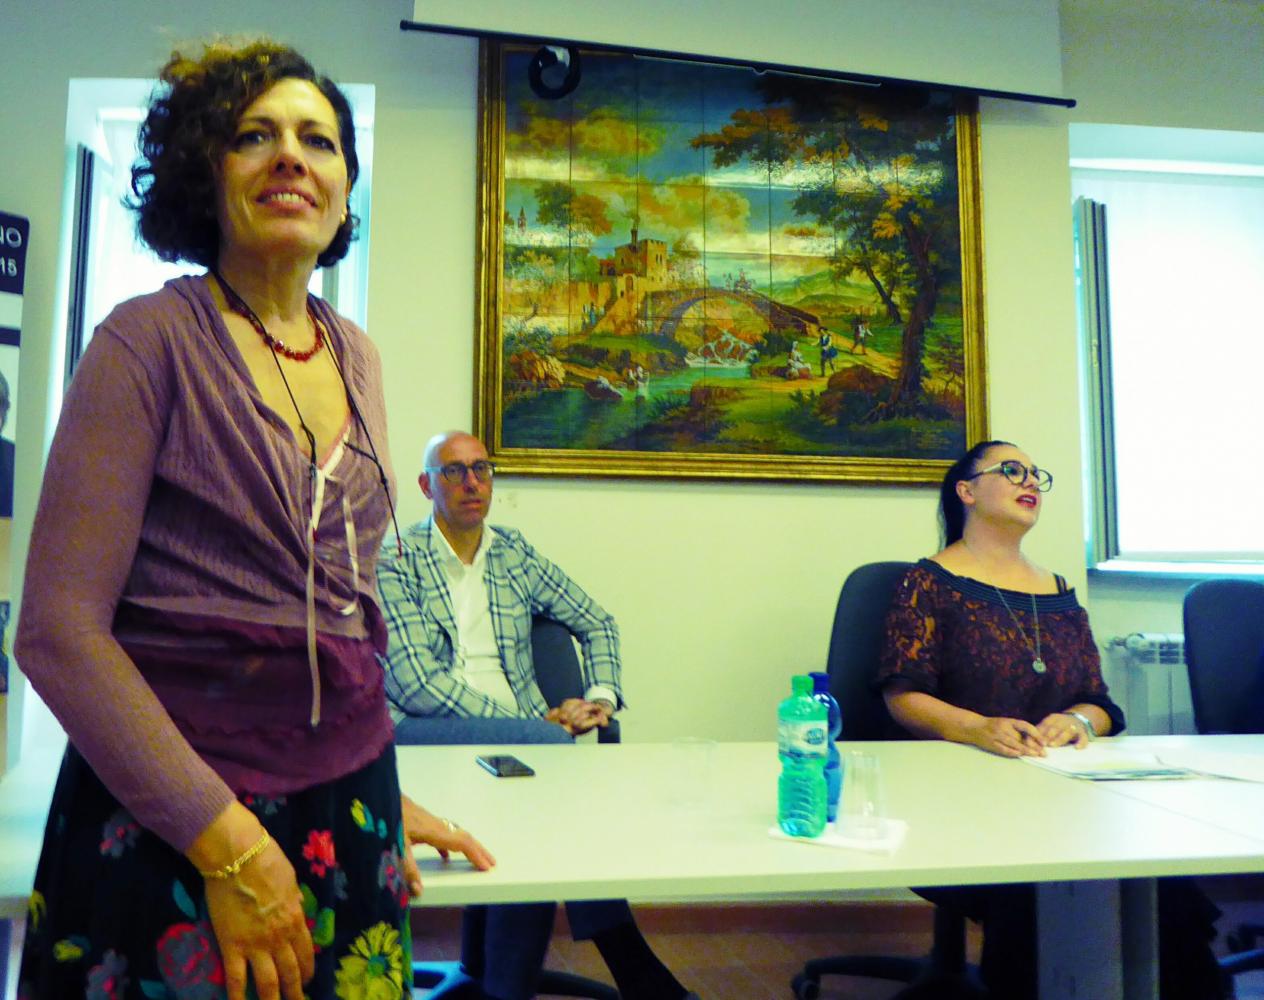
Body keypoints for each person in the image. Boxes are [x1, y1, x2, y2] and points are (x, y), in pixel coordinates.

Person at [14, 40, 491, 1000]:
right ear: (207, 171)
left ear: (345, 189)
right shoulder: (145, 343)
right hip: (174, 823)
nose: (290, 158)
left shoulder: (358, 357)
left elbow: (345, 613)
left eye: (318, 140)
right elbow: (58, 636)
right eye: (253, 136)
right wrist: (228, 848)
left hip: (344, 807)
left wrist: (376, 787)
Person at [875, 439, 1228, 999]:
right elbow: (903, 696)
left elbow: (1099, 703)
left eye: (1036, 474)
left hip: (1062, 790)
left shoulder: (1060, 591)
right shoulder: (929, 582)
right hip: (964, 788)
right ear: (966, 491)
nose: (1030, 481)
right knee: (1036, 883)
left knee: (1150, 876)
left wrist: (1078, 722)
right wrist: (978, 728)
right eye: (1011, 470)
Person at [378, 430, 698, 1000]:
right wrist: (530, 728)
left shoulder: (513, 552)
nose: (472, 482)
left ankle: (505, 981)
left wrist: (600, 698)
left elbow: (597, 620)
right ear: (427, 485)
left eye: (482, 468)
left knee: (542, 803)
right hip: (422, 733)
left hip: (522, 734)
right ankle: (625, 963)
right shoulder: (394, 559)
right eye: (454, 471)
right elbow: (418, 684)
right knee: (550, 761)